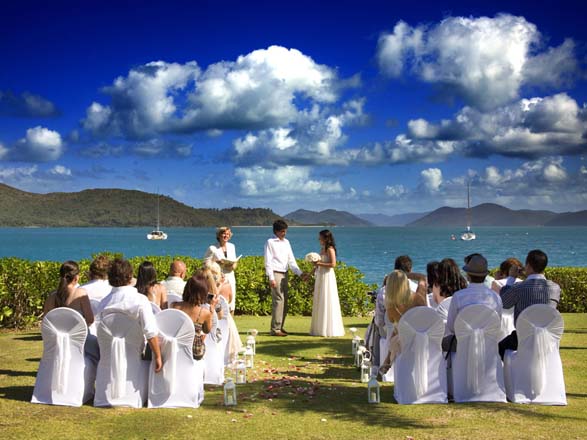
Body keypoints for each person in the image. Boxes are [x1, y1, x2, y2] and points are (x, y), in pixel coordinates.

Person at [97, 258, 162, 373]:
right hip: (135, 365)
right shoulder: (140, 300)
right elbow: (150, 332)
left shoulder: (103, 304)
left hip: (107, 365)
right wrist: (158, 356)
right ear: (130, 276)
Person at [497, 249, 561, 359]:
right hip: (548, 338)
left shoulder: (519, 287)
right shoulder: (555, 288)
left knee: (496, 351)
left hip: (522, 338)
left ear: (528, 265)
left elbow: (503, 303)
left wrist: (511, 278)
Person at [444, 254, 502, 351]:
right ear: (485, 275)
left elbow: (452, 327)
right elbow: (497, 325)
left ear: (468, 275)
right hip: (487, 347)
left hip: (462, 346)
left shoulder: (458, 296)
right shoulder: (496, 297)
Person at [380, 270, 427, 370]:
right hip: (423, 337)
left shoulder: (391, 309)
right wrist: (406, 275)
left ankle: (387, 360)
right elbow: (422, 278)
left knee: (396, 333)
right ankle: (387, 360)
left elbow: (396, 326)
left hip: (405, 342)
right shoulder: (418, 298)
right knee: (398, 333)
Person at [264, 219, 304, 337]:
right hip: (275, 273)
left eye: (285, 231)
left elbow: (291, 260)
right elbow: (268, 261)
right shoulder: (270, 242)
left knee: (284, 301)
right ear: (276, 231)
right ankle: (275, 329)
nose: (284, 233)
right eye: (282, 231)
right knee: (278, 301)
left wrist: (300, 273)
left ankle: (280, 326)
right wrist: (271, 277)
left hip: (285, 273)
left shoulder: (287, 242)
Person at [309, 229, 345, 337]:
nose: (319, 239)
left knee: (327, 298)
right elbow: (317, 265)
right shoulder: (322, 249)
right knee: (320, 298)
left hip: (327, 276)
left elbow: (333, 264)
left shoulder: (330, 249)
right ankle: (319, 328)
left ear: (325, 238)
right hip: (320, 275)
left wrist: (319, 263)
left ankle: (329, 329)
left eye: (320, 237)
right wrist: (310, 273)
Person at [172, 276, 215, 360]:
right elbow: (207, 330)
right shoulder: (204, 312)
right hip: (194, 352)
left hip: (175, 349)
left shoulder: (174, 306)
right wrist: (212, 311)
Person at [43, 260, 94, 326]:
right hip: (77, 335)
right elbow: (90, 319)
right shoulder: (80, 293)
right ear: (76, 278)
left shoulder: (51, 296)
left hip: (55, 336)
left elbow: (45, 321)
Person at [204, 227, 238, 313]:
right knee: (216, 300)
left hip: (230, 276)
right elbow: (206, 263)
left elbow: (234, 261)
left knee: (231, 301)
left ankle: (230, 322)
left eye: (228, 234)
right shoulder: (212, 248)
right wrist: (217, 265)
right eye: (224, 233)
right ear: (219, 235)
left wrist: (233, 265)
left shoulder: (232, 246)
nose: (226, 236)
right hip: (217, 278)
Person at [433, 258, 468, 324]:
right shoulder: (463, 283)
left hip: (444, 320)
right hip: (463, 320)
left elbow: (435, 301)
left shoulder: (437, 285)